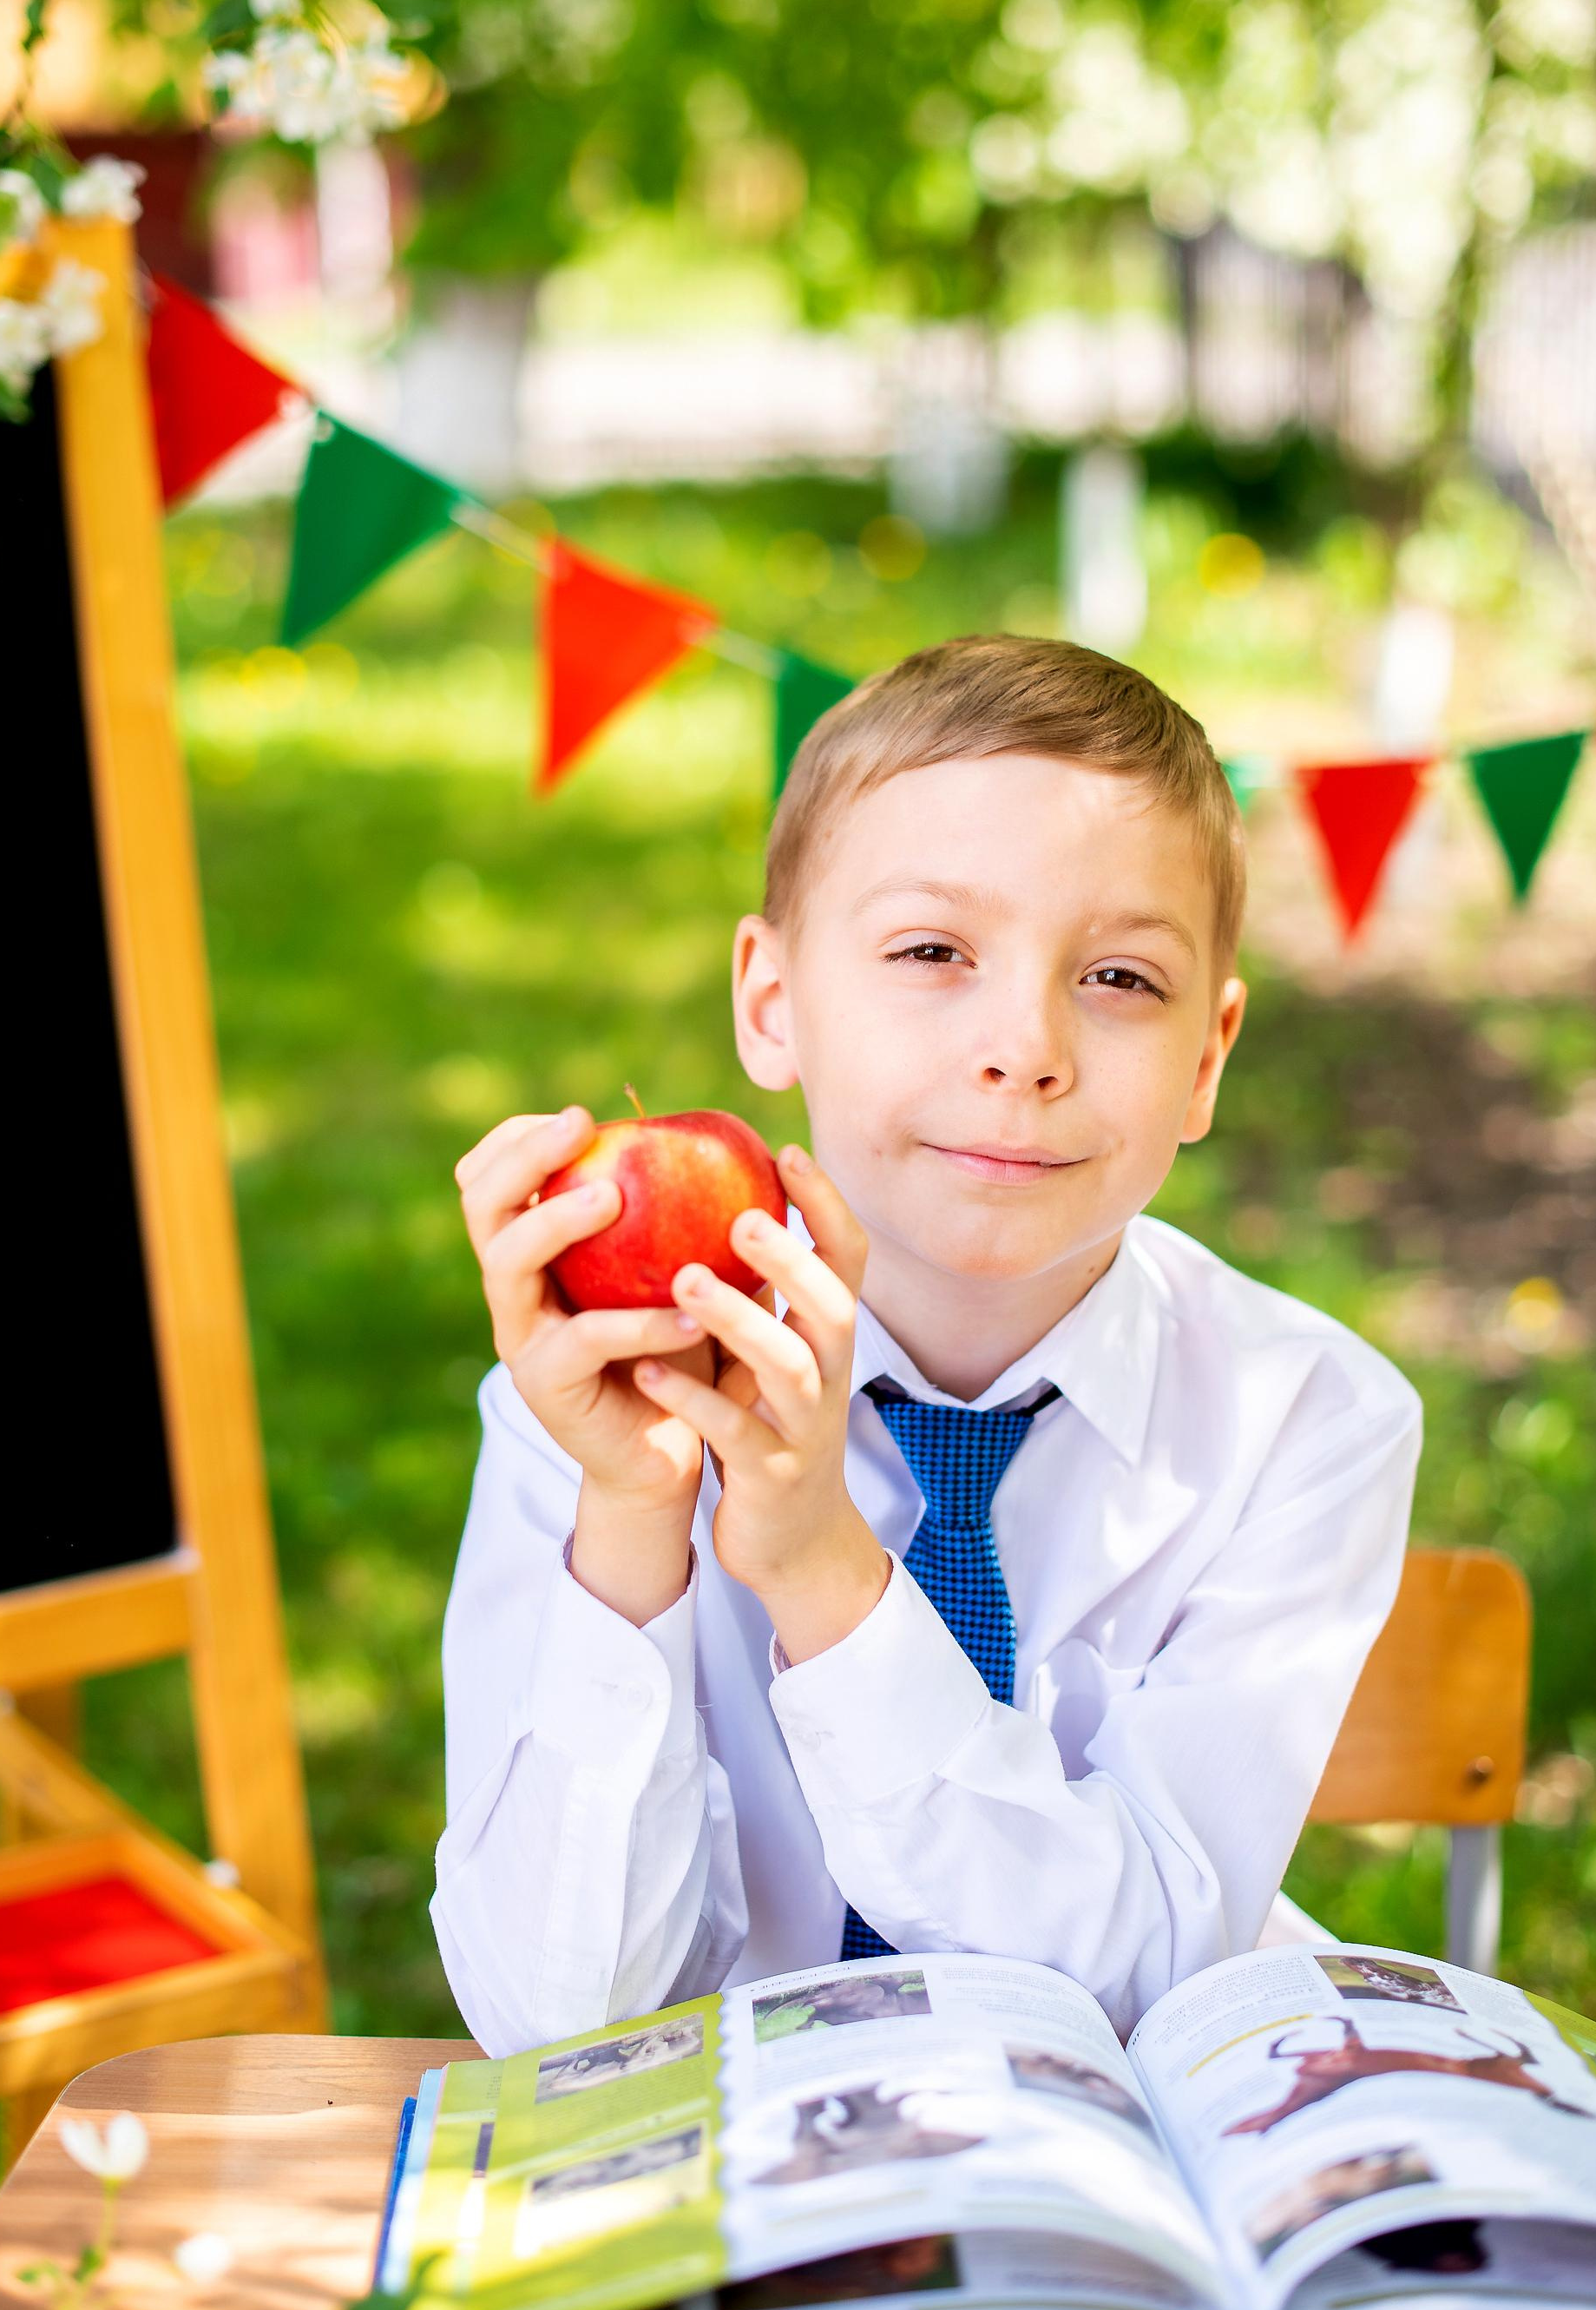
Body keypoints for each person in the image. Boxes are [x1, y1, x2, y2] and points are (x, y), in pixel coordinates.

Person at [433, 635, 1422, 2054]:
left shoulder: (1304, 1420)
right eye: (931, 952)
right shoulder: (590, 1399)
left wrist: (829, 1577)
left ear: (1206, 1060)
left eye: (1121, 979)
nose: (1024, 1047)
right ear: (772, 1004)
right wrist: (636, 1521)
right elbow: (557, 2023)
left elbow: (1144, 1978)